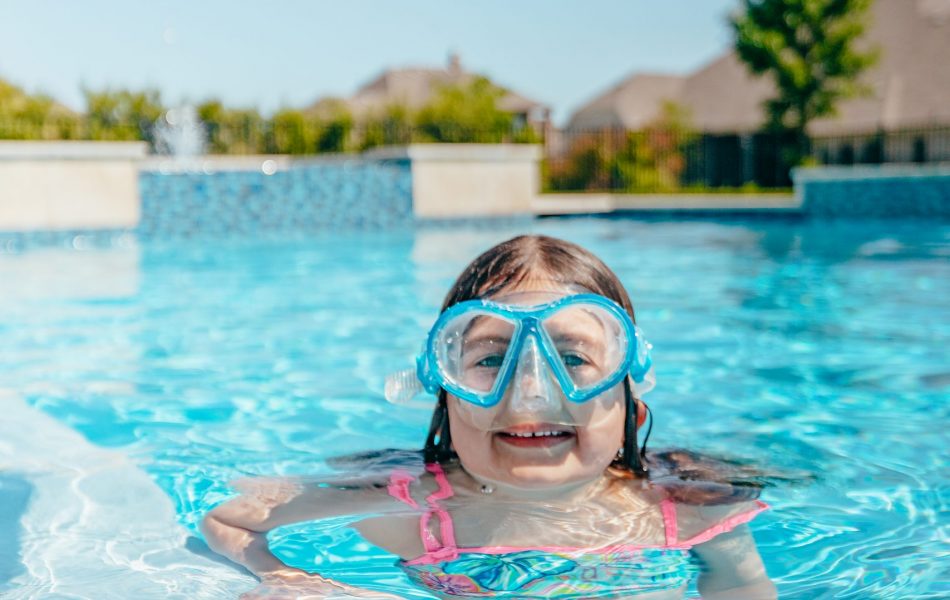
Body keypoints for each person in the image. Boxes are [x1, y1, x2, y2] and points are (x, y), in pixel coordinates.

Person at [202, 234, 776, 599]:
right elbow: (228, 519)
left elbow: (743, 589)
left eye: (572, 357)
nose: (530, 390)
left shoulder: (689, 508)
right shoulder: (413, 509)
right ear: (442, 393)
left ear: (630, 395)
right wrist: (295, 580)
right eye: (491, 359)